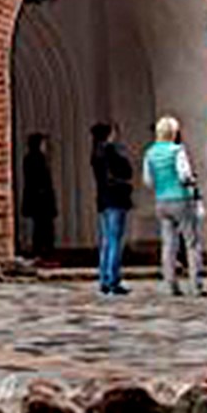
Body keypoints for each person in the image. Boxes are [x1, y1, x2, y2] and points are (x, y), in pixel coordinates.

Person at [142, 115, 204, 296]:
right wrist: (192, 180)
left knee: (169, 244)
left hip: (162, 200)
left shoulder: (150, 152)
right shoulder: (177, 150)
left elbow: (148, 180)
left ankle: (171, 284)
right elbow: (184, 175)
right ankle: (196, 285)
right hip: (181, 199)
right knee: (192, 242)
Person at [89, 122, 133, 295]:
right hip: (116, 199)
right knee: (115, 240)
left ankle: (104, 278)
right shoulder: (111, 152)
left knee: (106, 240)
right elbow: (127, 171)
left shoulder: (95, 154)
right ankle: (113, 279)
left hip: (102, 199)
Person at [22, 132, 57, 262]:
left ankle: (40, 252)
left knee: (39, 228)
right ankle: (43, 253)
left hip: (38, 200)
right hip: (41, 201)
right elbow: (40, 181)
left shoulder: (31, 158)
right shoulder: (37, 159)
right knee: (44, 228)